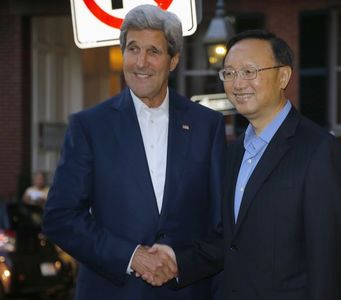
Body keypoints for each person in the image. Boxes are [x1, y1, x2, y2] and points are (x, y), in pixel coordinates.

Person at [149, 29, 341, 299]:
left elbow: (330, 268)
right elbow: (231, 241)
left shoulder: (320, 152)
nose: (238, 84)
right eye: (229, 73)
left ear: (283, 76)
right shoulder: (234, 152)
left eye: (249, 72)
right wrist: (176, 259)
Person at [42, 4, 225, 300]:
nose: (141, 62)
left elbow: (221, 227)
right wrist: (131, 256)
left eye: (153, 51)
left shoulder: (208, 126)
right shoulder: (89, 126)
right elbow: (60, 217)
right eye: (133, 49)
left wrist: (180, 262)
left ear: (174, 59)